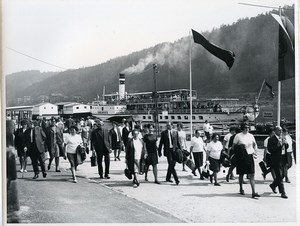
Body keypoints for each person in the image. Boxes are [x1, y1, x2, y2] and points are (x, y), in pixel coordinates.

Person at [233, 122, 260, 198]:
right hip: (241, 157)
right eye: (245, 127)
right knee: (241, 174)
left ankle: (253, 192)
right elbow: (233, 147)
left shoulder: (251, 136)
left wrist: (255, 152)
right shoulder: (238, 136)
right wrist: (241, 147)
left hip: (249, 156)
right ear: (242, 128)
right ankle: (241, 188)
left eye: (248, 127)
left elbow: (254, 144)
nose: (247, 129)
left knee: (252, 174)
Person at [268, 126, 288, 199]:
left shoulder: (282, 138)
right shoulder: (271, 139)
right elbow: (270, 150)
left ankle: (273, 185)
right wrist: (278, 146)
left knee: (282, 175)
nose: (281, 132)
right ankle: (283, 192)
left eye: (282, 130)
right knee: (279, 176)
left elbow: (286, 147)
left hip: (283, 158)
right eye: (279, 130)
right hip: (276, 159)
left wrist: (286, 144)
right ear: (275, 131)